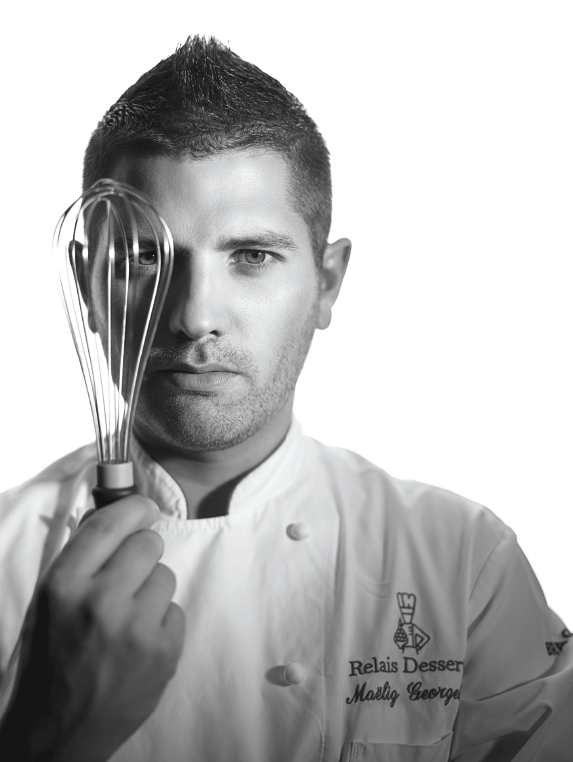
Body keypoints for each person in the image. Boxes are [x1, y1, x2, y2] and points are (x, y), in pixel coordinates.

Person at [0, 36, 571, 762]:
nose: (193, 315)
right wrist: (43, 734)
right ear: (87, 284)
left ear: (327, 283)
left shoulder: (462, 563)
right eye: (145, 257)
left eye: (251, 257)